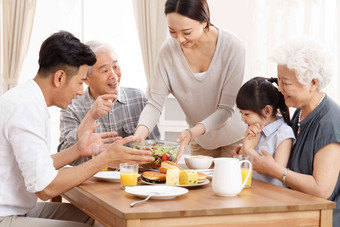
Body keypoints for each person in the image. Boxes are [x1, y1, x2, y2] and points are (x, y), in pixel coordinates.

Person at [0, 31, 154, 227]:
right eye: (80, 81)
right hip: (5, 216)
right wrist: (105, 159)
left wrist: (78, 150)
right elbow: (46, 188)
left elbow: (40, 168)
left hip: (18, 210)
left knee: (99, 216)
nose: (81, 91)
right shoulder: (25, 109)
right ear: (60, 78)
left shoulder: (27, 99)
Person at [134, 0, 245, 160]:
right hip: (200, 141)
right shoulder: (167, 52)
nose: (179, 40)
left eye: (186, 32)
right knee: (196, 183)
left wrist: (192, 132)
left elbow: (226, 110)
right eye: (172, 31)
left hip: (235, 140)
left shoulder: (232, 47)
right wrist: (140, 133)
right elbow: (154, 104)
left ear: (204, 21)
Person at [248, 39, 340, 226]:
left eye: (286, 82)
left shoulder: (329, 122)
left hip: (321, 218)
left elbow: (322, 190)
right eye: (279, 79)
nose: (279, 88)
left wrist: (274, 170)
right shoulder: (299, 111)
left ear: (312, 83)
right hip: (295, 208)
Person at [58, 40, 160, 165]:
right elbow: (65, 156)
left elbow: (155, 147)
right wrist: (90, 117)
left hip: (134, 180)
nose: (113, 75)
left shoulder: (139, 99)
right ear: (87, 79)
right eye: (105, 71)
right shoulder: (72, 107)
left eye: (115, 67)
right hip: (91, 182)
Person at [236, 77, 295, 187]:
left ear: (267, 110)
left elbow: (276, 172)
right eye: (241, 113)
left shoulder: (283, 133)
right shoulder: (250, 128)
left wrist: (248, 149)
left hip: (273, 195)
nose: (243, 119)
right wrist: (243, 149)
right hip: (251, 188)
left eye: (246, 114)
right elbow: (242, 163)